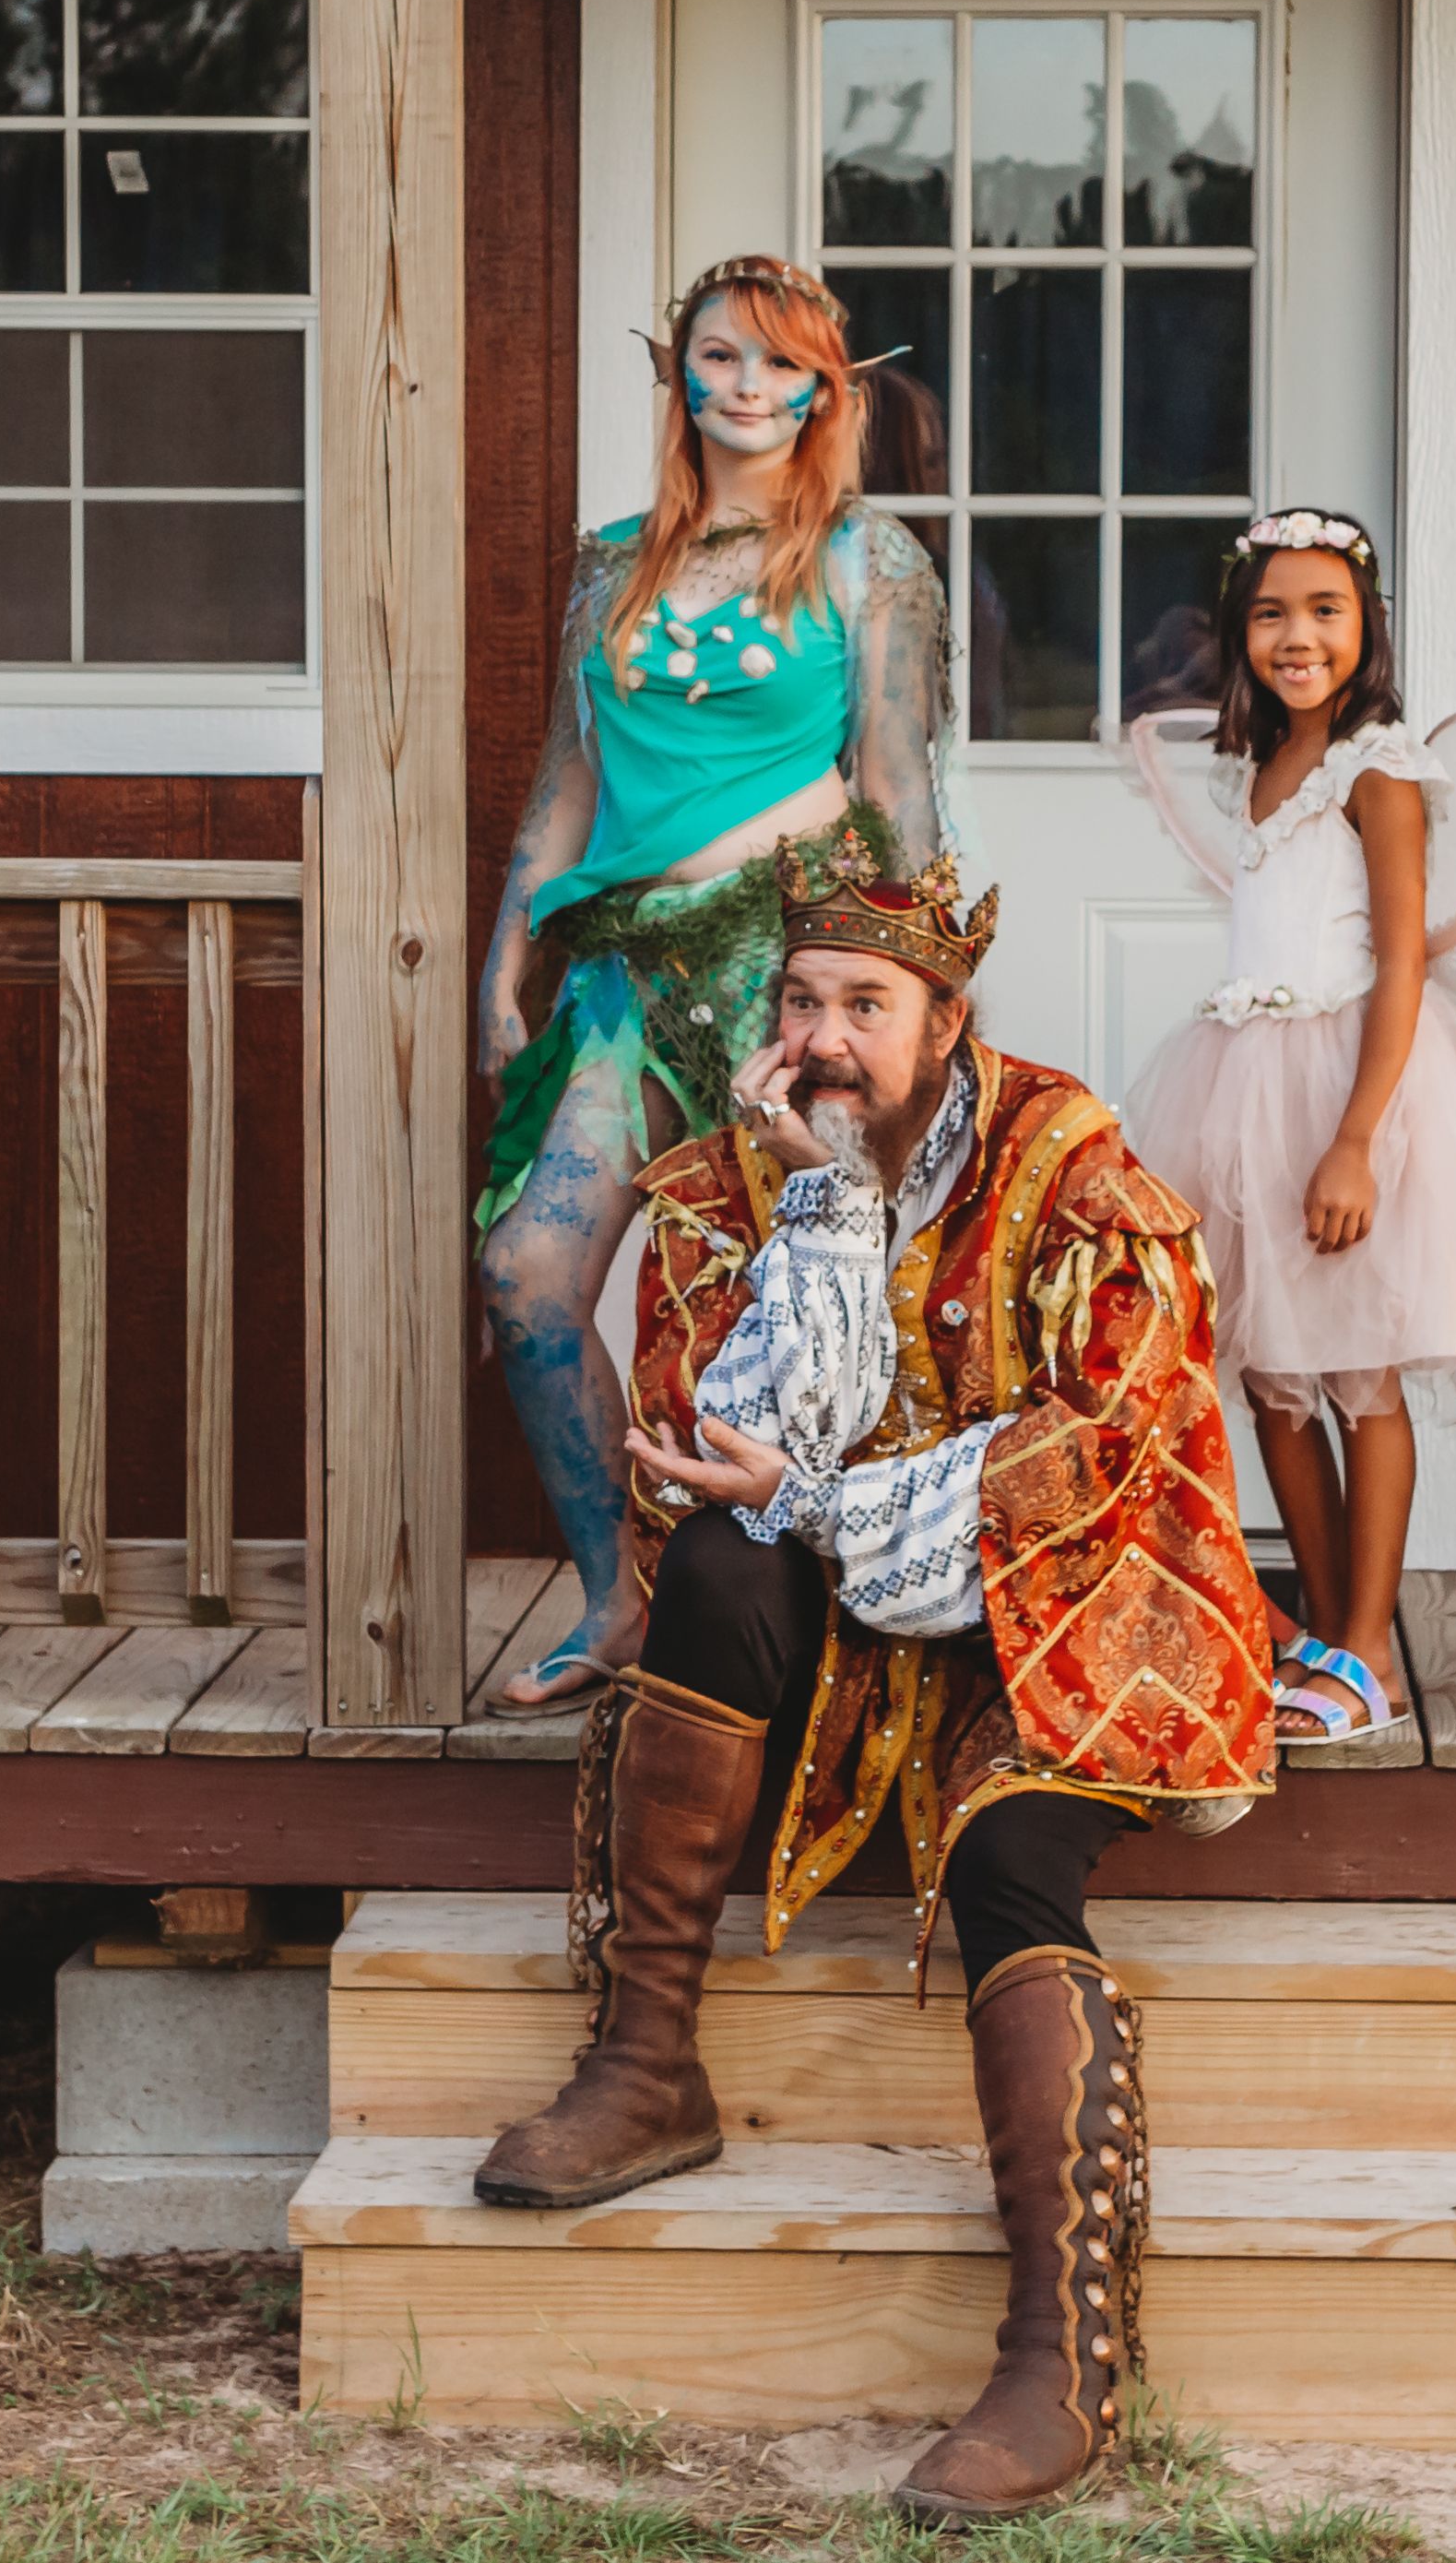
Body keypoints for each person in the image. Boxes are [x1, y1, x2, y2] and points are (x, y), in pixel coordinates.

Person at [476, 831, 1273, 2521]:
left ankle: (1059, 2358)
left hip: (1065, 1590)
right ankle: (647, 2069)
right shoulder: (729, 1183)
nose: (826, 1036)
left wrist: (828, 1502)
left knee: (1005, 1856)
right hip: (852, 1587)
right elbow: (721, 1447)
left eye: (866, 1001)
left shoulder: (1075, 1170)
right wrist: (826, 1209)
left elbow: (1097, 1450)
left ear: (947, 1015)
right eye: (801, 998)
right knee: (711, 1561)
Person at [475, 256, 958, 1715]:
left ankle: (828, 1623)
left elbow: (895, 784)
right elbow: (568, 782)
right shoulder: (607, 561)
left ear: (825, 390)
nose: (746, 386)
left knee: (802, 1297)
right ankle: (617, 1592)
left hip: (791, 964)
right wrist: (509, 962)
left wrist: (923, 991)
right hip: (626, 971)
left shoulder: (873, 563)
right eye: (718, 356)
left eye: (781, 365)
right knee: (529, 1273)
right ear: (676, 372)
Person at [1118, 508, 1456, 1743]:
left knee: (1360, 1370)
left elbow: (1399, 965)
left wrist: (1356, 1139)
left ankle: (1368, 1646)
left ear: (1366, 625)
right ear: (1237, 631)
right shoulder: (1270, 764)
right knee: (1271, 1374)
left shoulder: (1379, 769)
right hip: (1240, 1085)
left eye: (1324, 609)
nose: (1295, 634)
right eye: (1269, 612)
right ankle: (1324, 1623)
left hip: (1347, 1086)